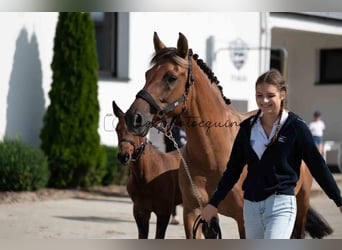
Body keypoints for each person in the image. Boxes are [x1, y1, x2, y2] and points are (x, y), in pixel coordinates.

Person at [200, 69, 342, 239]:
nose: (264, 101)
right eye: (259, 95)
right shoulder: (247, 128)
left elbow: (318, 166)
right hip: (251, 207)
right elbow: (233, 170)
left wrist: (338, 199)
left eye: (270, 95)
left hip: (281, 205)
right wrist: (213, 203)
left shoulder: (296, 127)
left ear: (282, 94)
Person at [164, 126, 186, 225]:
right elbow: (171, 145)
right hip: (173, 160)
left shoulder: (185, 129)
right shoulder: (171, 129)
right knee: (173, 188)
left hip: (185, 159)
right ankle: (174, 215)